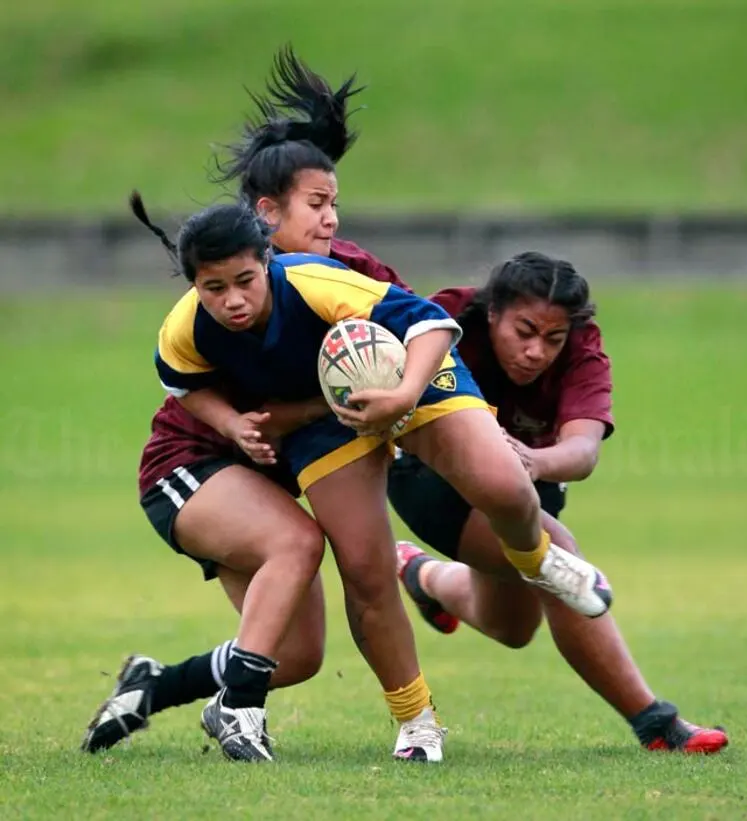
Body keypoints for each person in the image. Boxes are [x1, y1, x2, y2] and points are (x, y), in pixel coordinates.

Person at [81, 49, 614, 759]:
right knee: (319, 560)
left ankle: (155, 684)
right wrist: (238, 420)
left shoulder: (347, 276)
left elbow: (418, 327)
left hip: (299, 445)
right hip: (208, 462)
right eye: (317, 205)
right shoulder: (212, 302)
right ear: (264, 218)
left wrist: (388, 401)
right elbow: (179, 381)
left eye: (335, 203)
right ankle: (318, 715)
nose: (332, 219)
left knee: (297, 651)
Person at [386, 252, 728, 754]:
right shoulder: (445, 320)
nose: (535, 351)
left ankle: (425, 577)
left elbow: (584, 450)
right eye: (523, 331)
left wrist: (532, 463)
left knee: (512, 627)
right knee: (559, 555)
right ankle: (655, 722)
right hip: (427, 477)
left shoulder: (584, 351)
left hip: (530, 483)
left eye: (552, 338)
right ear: (492, 313)